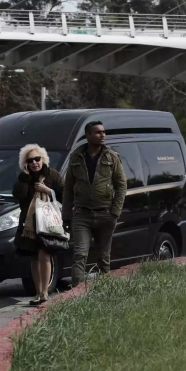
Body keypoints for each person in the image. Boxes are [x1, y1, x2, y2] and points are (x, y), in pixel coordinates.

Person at [62, 121, 127, 287]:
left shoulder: (112, 157)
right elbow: (68, 187)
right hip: (82, 214)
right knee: (80, 254)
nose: (103, 135)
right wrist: (66, 216)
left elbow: (121, 185)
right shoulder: (76, 157)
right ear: (88, 135)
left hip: (105, 213)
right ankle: (76, 294)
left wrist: (115, 213)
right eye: (98, 132)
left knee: (103, 257)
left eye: (104, 132)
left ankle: (104, 292)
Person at [12, 144, 64, 305]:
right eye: (30, 160)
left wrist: (48, 190)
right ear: (26, 163)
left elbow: (66, 195)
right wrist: (24, 177)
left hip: (47, 222)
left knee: (44, 255)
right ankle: (38, 292)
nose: (35, 162)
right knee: (34, 258)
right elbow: (18, 195)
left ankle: (45, 292)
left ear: (43, 158)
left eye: (37, 159)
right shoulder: (24, 178)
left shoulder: (53, 175)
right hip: (29, 225)